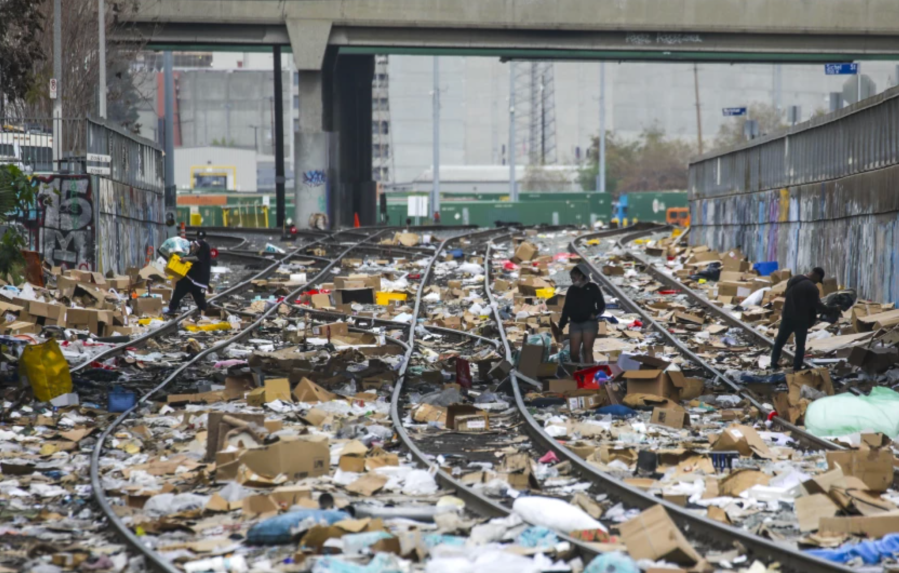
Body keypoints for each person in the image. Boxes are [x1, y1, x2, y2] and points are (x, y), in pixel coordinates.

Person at [770, 267, 835, 371]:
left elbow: (787, 294)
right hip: (801, 320)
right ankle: (797, 367)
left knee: (779, 342)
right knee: (800, 346)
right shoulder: (811, 287)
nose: (817, 282)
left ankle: (773, 363)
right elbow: (816, 305)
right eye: (818, 280)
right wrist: (829, 310)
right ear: (817, 275)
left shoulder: (793, 280)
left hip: (787, 317)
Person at [557, 266, 605, 364]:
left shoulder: (593, 288)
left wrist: (594, 314)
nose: (572, 280)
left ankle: (587, 372)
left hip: (589, 324)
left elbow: (601, 305)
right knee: (573, 353)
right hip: (575, 324)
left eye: (574, 277)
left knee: (587, 350)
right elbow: (566, 308)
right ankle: (578, 368)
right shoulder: (571, 290)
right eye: (571, 278)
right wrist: (561, 326)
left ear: (581, 275)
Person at [167, 232, 211, 315]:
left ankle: (205, 312)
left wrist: (185, 259)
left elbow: (197, 259)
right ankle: (172, 309)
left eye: (194, 246)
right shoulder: (200, 247)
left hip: (199, 281)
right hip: (191, 278)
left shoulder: (203, 245)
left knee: (199, 298)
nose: (193, 248)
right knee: (179, 287)